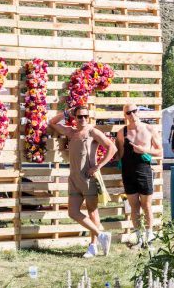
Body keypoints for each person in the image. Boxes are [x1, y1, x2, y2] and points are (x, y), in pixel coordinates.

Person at [49, 105, 117, 258]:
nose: (83, 119)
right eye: (80, 116)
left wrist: (98, 166)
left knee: (92, 212)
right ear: (75, 117)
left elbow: (112, 147)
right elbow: (52, 123)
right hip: (73, 178)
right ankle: (101, 235)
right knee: (72, 212)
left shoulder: (92, 132)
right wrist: (66, 111)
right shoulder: (71, 132)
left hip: (88, 178)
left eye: (86, 116)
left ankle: (93, 246)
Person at [117, 104, 162, 248]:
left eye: (134, 111)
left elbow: (160, 152)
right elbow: (119, 153)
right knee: (134, 206)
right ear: (125, 115)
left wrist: (144, 150)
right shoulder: (121, 132)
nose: (132, 114)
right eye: (128, 112)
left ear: (139, 111)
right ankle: (139, 238)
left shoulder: (150, 129)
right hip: (128, 172)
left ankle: (149, 237)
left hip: (144, 171)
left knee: (146, 205)